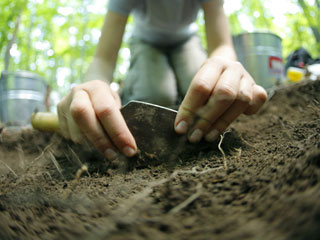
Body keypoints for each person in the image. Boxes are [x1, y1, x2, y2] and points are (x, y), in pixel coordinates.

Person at [57, 0, 267, 161]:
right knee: (156, 95)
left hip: (187, 41)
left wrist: (226, 71)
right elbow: (103, 59)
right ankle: (128, 93)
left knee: (204, 90)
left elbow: (222, 46)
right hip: (145, 42)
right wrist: (92, 88)